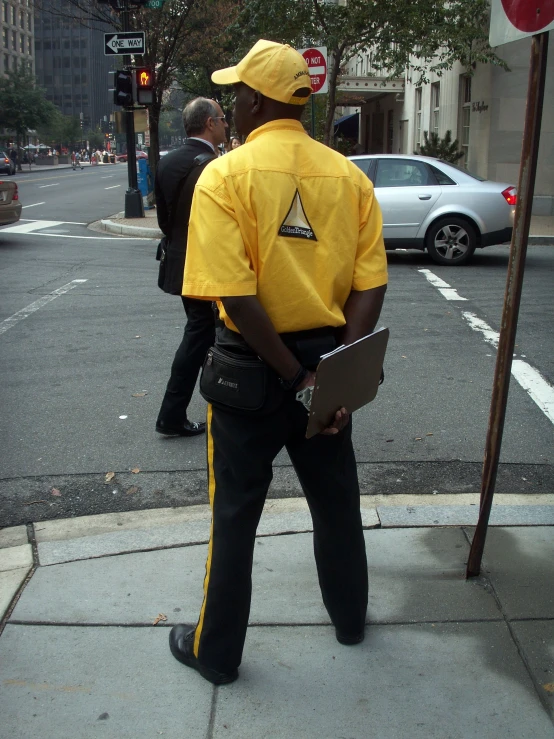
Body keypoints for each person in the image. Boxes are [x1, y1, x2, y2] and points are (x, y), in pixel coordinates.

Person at [168, 40, 388, 685]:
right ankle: (350, 621)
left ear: (257, 99)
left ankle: (217, 654)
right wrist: (333, 374)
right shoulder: (348, 178)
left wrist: (296, 377)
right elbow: (370, 282)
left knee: (235, 513)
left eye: (237, 92)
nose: (232, 103)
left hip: (252, 372)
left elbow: (232, 292)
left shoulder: (226, 176)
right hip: (328, 364)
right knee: (336, 502)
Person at [155, 97, 228, 437]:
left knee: (203, 333)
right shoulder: (213, 165)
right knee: (200, 335)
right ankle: (172, 414)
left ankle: (218, 397)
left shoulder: (167, 162)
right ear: (210, 123)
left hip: (179, 262)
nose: (226, 125)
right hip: (205, 265)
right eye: (223, 119)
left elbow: (164, 220)